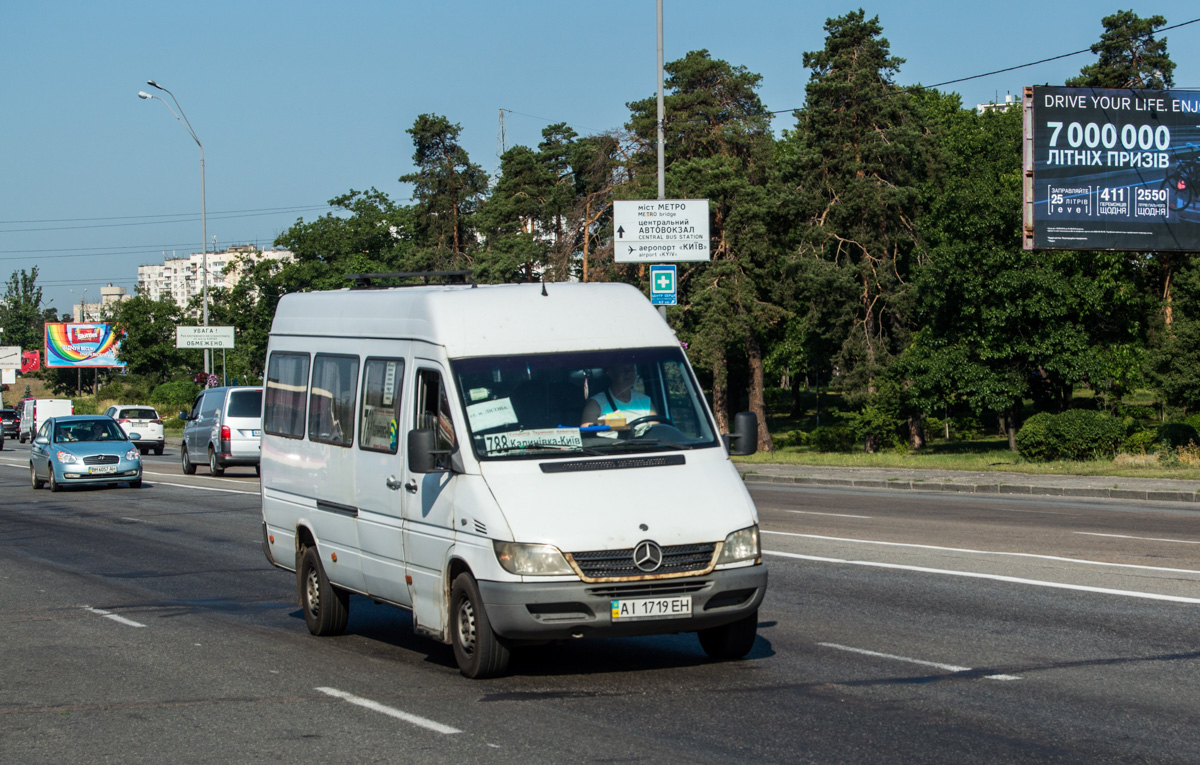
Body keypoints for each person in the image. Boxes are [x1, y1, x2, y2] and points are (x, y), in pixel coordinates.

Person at [581, 363, 656, 428]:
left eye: (631, 369)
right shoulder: (595, 403)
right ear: (610, 373)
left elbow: (657, 431)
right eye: (623, 370)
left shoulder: (646, 401)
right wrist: (606, 422)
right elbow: (586, 430)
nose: (628, 373)